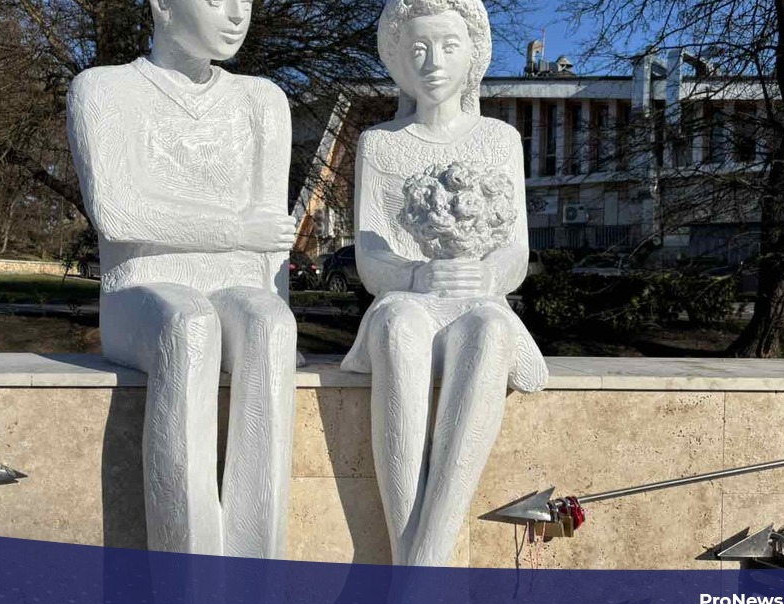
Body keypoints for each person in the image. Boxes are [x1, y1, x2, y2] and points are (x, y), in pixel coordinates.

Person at [66, 0, 296, 567]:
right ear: (163, 6)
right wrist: (234, 228)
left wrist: (277, 305)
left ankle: (255, 583)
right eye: (216, 0)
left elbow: (271, 239)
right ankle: (186, 583)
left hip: (239, 284)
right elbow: (118, 214)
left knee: (271, 326)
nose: (236, 15)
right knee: (189, 324)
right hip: (142, 286)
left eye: (244, 0)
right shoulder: (104, 89)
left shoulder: (262, 100)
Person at [342, 0, 548, 568]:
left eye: (448, 47)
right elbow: (370, 257)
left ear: (474, 55)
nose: (433, 62)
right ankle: (420, 567)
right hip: (408, 300)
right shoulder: (380, 143)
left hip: (477, 301)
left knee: (488, 331)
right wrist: (415, 273)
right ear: (395, 60)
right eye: (417, 49)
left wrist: (487, 274)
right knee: (398, 324)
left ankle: (420, 564)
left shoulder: (499, 140)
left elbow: (515, 251)